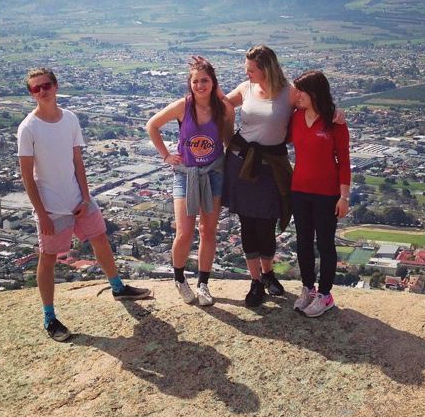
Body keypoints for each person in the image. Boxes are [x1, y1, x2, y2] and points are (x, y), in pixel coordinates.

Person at [17, 67, 150, 342]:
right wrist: (41, 214)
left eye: (46, 85)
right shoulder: (28, 128)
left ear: (55, 86)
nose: (42, 91)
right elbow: (27, 176)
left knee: (100, 238)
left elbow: (78, 161)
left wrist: (87, 197)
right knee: (48, 258)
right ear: (31, 94)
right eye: (35, 88)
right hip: (51, 207)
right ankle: (49, 317)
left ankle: (117, 287)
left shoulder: (70, 119)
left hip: (79, 198)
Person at [146, 56, 234, 306]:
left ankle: (203, 283)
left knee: (208, 230)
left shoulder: (222, 109)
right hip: (186, 174)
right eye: (195, 81)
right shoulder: (182, 107)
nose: (200, 86)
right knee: (184, 232)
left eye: (205, 80)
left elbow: (228, 139)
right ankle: (179, 278)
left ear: (214, 83)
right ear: (189, 84)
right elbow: (152, 125)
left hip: (213, 173)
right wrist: (166, 155)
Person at [222, 45, 295, 307]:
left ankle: (268, 273)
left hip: (271, 167)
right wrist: (226, 140)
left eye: (251, 70)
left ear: (266, 69)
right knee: (248, 224)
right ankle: (256, 281)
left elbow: (314, 108)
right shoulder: (246, 88)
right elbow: (220, 105)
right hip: (241, 162)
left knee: (266, 224)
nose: (247, 74)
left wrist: (336, 115)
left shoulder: (290, 93)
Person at [288, 70, 351, 318]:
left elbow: (344, 162)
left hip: (327, 194)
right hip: (299, 190)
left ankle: (325, 295)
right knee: (303, 241)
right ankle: (308, 288)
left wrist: (344, 197)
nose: (297, 95)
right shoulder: (295, 117)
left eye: (301, 91)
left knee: (325, 243)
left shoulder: (335, 122)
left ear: (314, 93)